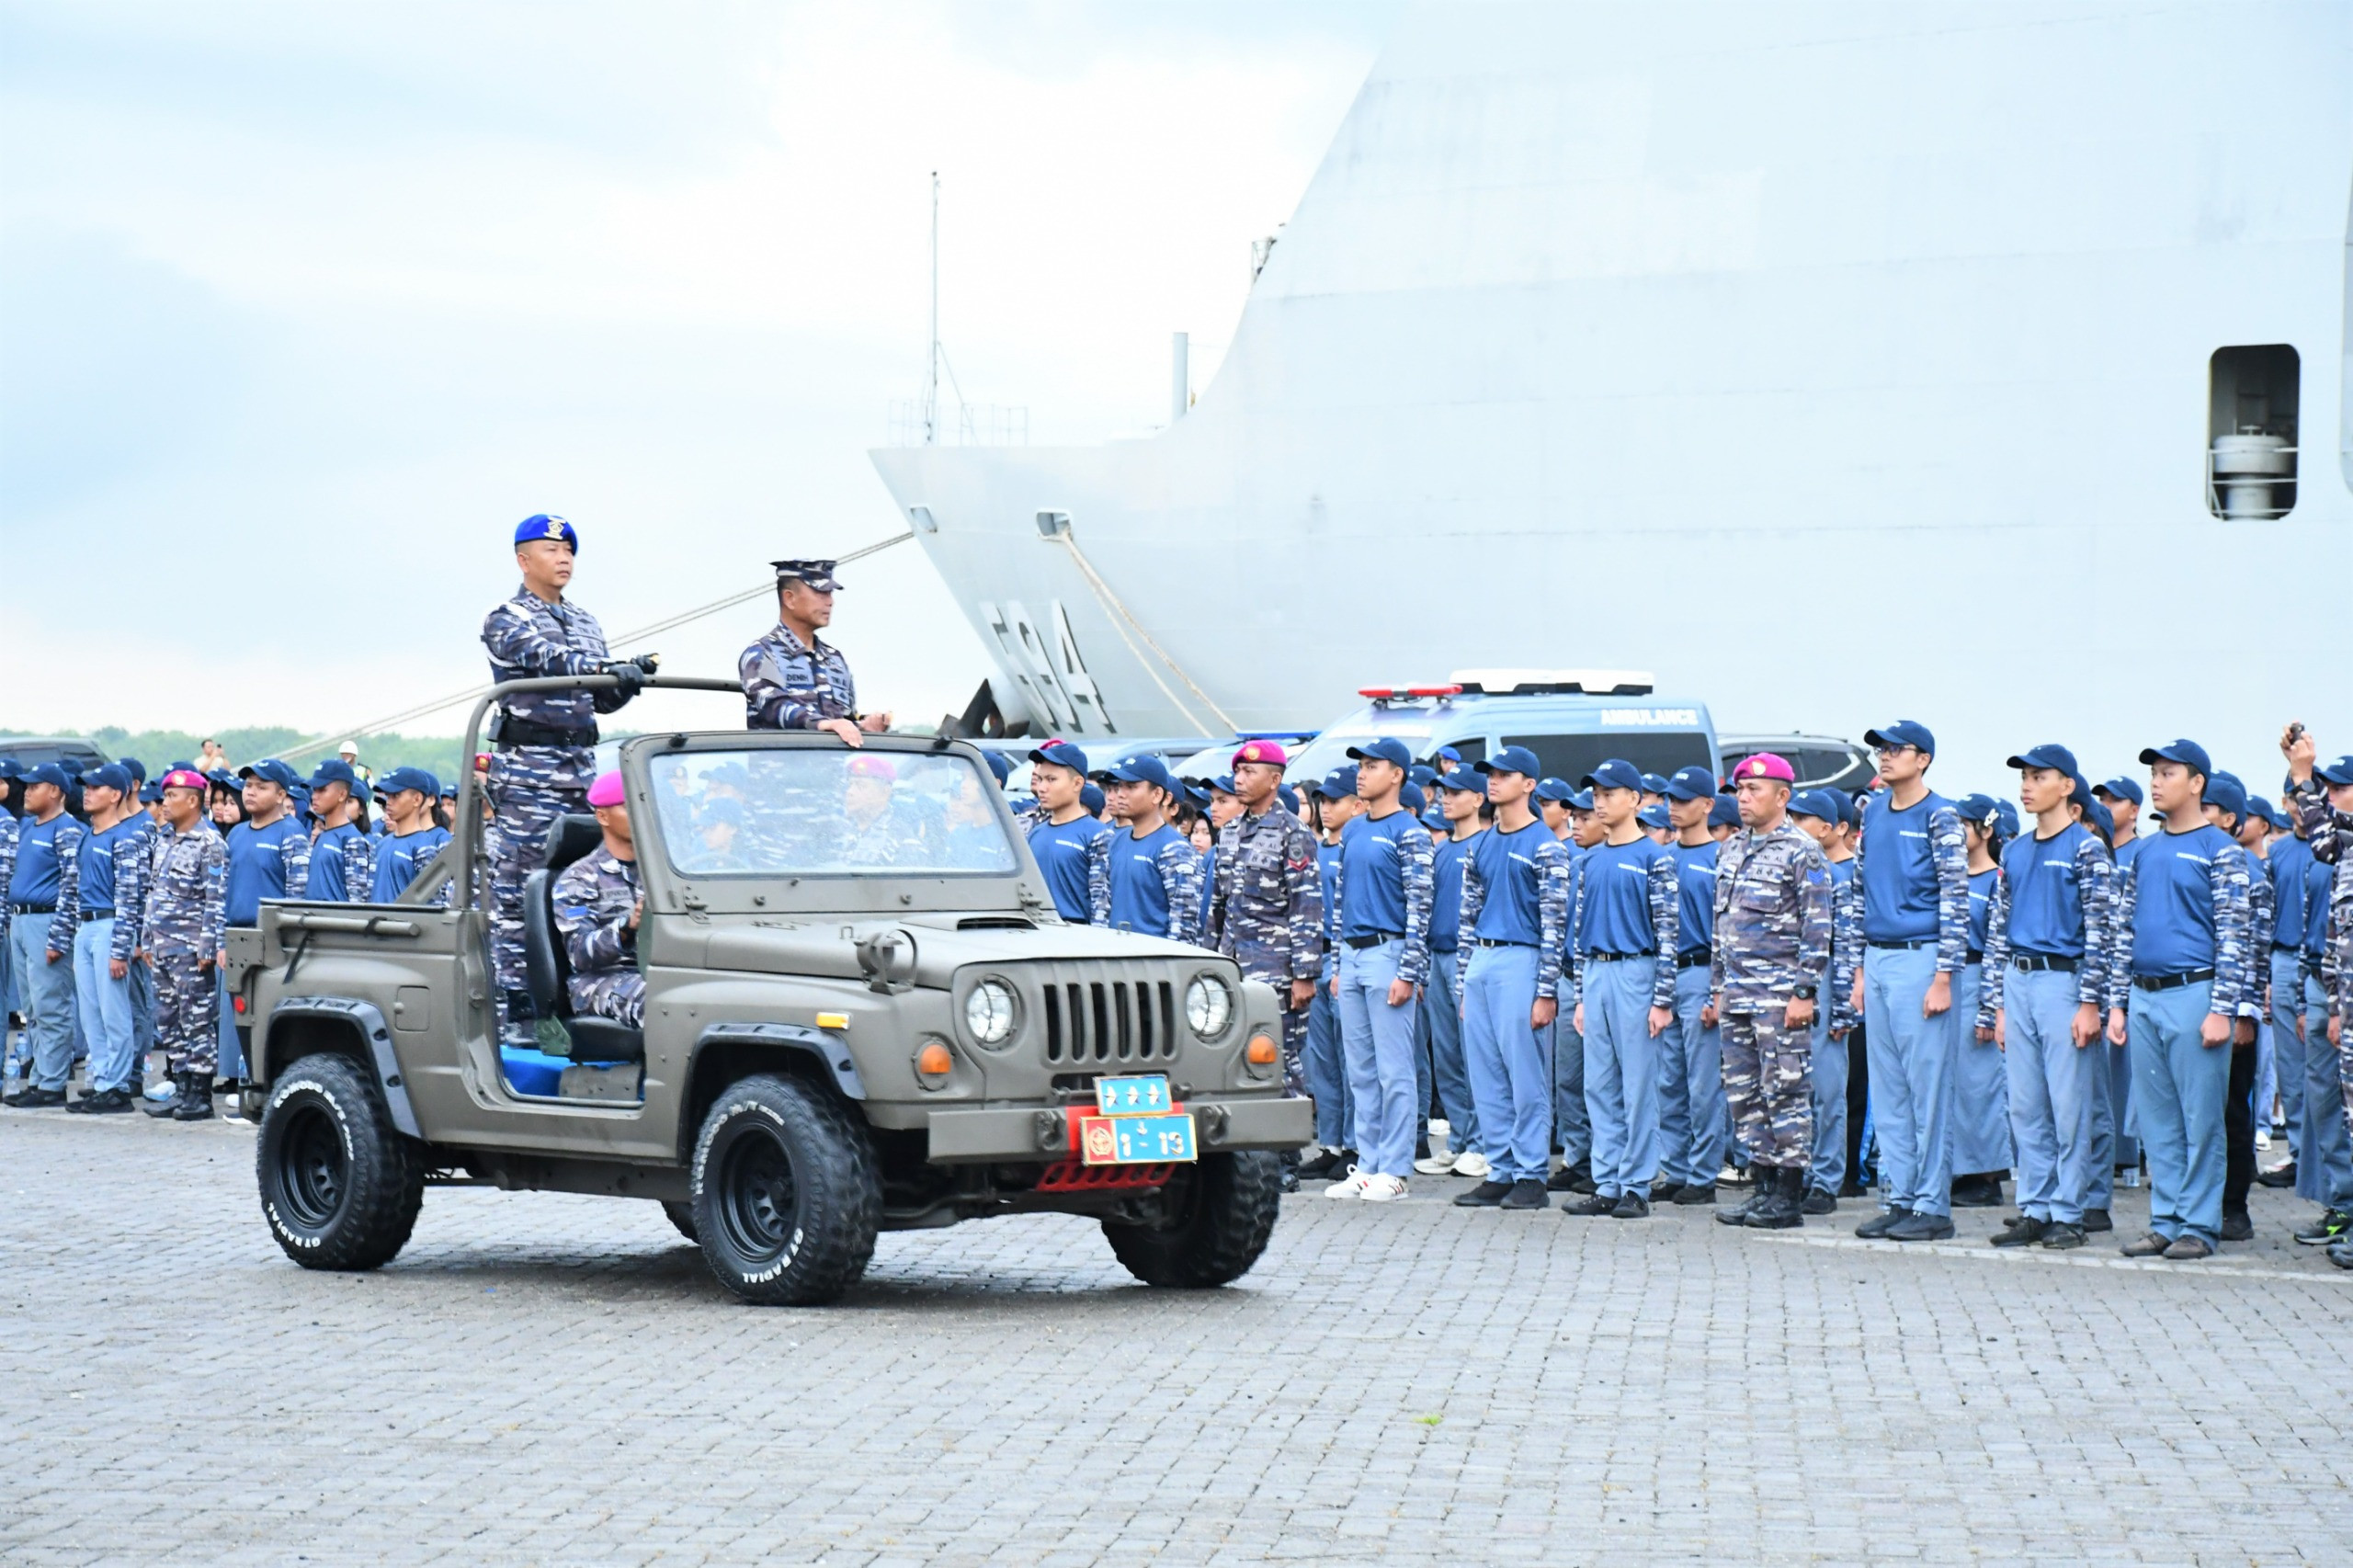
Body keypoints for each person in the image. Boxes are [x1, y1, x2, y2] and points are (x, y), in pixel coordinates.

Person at [480, 514, 651, 1042]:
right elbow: (546, 659)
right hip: (530, 775)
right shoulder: (507, 618)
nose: (563, 559)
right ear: (523, 559)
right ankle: (519, 1021)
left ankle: (588, 995)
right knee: (518, 896)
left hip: (579, 769)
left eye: (569, 551)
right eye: (551, 550)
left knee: (585, 884)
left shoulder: (585, 621)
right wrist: (604, 668)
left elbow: (600, 699)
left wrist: (626, 680)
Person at [2109, 739, 2254, 1261]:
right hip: (2144, 996)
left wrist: (2223, 1008)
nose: (2156, 781)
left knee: (2201, 1120)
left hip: (2195, 994)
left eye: (2168, 773)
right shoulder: (2146, 851)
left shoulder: (2221, 850)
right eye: (2154, 772)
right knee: (2158, 1120)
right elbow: (2124, 928)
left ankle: (2199, 1225)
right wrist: (2118, 1003)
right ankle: (2165, 1221)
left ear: (2197, 784)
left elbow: (2235, 935)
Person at [1980, 750, 2117, 1250]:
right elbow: (1999, 929)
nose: (2027, 785)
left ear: (2066, 786)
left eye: (2039, 777)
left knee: (2069, 1105)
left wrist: (2090, 1003)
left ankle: (2069, 1210)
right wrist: (1997, 1004)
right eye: (2024, 777)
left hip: (2063, 981)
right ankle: (2035, 1207)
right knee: (2025, 1104)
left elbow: (2102, 931)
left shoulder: (2086, 849)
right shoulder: (2014, 851)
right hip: (2018, 980)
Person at [1849, 720, 1970, 1243]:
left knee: (1928, 1091)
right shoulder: (1873, 812)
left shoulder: (1940, 815)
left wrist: (1944, 976)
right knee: (1890, 1089)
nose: (1885, 755)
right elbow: (1859, 891)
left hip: (1921, 959)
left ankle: (1932, 1205)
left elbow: (1955, 899)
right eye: (1881, 748)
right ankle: (1899, 1197)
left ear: (1923, 759)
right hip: (1878, 958)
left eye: (1897, 749)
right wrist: (1858, 968)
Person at [1708, 754, 1832, 1228]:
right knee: (1745, 1095)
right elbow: (1721, 925)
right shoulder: (1731, 848)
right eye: (1740, 790)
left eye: (1753, 790)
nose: (1743, 798)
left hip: (1779, 996)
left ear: (1782, 796)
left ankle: (1788, 1196)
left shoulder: (1803, 851)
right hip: (1737, 993)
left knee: (1786, 1092)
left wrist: (1804, 991)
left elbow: (1818, 928)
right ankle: (1761, 1189)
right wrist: (1718, 987)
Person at [1449, 746, 1570, 1210]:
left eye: (1504, 774)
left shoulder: (1546, 845)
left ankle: (1531, 1173)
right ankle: (1500, 1168)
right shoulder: (1481, 843)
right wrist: (1464, 980)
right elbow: (1467, 916)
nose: (1493, 780)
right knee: (1486, 1075)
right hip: (1483, 959)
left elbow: (1555, 924)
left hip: (1522, 959)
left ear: (1529, 784)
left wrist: (1546, 990)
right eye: (1491, 774)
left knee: (1525, 1075)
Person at [1566, 758, 1679, 1219]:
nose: (1599, 803)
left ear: (1634, 799)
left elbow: (1668, 933)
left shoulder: (1655, 857)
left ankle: (1636, 1185)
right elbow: (1580, 932)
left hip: (1637, 971)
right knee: (1599, 1085)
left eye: (1609, 794)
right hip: (1597, 972)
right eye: (1596, 795)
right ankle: (1607, 1182)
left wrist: (1662, 999)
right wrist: (1580, 995)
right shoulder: (1589, 859)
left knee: (1638, 1086)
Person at [1323, 737, 1434, 1201]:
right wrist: (1336, 962)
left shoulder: (1410, 832)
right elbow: (1342, 901)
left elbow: (1420, 906)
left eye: (1372, 766)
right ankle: (1367, 1165)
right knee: (1361, 1070)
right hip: (1352, 956)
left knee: (1394, 1070)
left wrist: (1410, 971)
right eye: (1361, 766)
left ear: (1397, 775)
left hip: (1389, 953)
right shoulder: (1353, 830)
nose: (1362, 774)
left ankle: (1395, 1168)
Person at [1207, 740, 1323, 1105]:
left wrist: (1304, 975)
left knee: (1280, 1063)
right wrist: (1207, 959)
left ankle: (1290, 1142)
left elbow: (1306, 905)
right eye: (1238, 771)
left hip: (1276, 972)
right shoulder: (1229, 831)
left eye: (1249, 772)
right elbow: (1219, 904)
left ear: (1274, 780)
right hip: (1233, 965)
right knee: (1232, 1059)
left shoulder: (1293, 833)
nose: (1239, 779)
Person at [2280, 729, 2353, 1264]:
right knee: (2331, 1105)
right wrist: (2331, 1005)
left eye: (2340, 787)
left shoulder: (2339, 842)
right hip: (2340, 998)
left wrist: (2302, 775)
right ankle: (2344, 1207)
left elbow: (2323, 836)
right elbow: (2333, 935)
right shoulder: (2343, 852)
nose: (2330, 797)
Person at [1657, 764, 1728, 1206]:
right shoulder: (1663, 856)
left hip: (1702, 971)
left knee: (1703, 1085)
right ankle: (1677, 1168)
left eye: (1684, 800)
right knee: (1669, 1081)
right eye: (1671, 799)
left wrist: (1718, 990)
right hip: (1666, 974)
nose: (1674, 807)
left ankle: (1703, 1175)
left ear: (1707, 805)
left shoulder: (1720, 858)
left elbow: (1727, 932)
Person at [2202, 772, 2268, 1243]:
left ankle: (2234, 1208)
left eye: (2207, 807)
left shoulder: (2249, 870)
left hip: (2232, 1008)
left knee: (2231, 1113)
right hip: (2194, 999)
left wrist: (2245, 1012)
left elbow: (2255, 948)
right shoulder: (2195, 859)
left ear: (2229, 819)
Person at [1415, 767, 1489, 1178]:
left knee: (1475, 1055)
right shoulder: (1441, 850)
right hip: (1437, 957)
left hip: (1470, 959)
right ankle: (1460, 1140)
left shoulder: (1486, 844)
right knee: (1446, 1057)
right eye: (1445, 791)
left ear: (1478, 799)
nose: (1447, 798)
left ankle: (1482, 1144)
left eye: (1457, 792)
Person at [142, 771, 228, 1120]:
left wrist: (208, 946)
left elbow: (215, 899)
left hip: (189, 948)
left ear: (193, 801)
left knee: (197, 1021)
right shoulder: (164, 839)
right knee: (168, 1020)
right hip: (162, 947)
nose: (165, 803)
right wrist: (146, 938)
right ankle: (181, 1088)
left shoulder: (210, 843)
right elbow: (153, 892)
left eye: (172, 797)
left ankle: (201, 1095)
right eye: (164, 797)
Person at [1790, 790, 1862, 1211]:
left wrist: (1842, 1008)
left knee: (1828, 1091)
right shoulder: (1790, 869)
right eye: (1792, 817)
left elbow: (1847, 946)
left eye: (1804, 819)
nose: (1795, 826)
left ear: (1826, 828)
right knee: (1794, 1092)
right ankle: (1799, 1174)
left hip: (1825, 980)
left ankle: (1827, 1181)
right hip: (1791, 982)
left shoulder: (1838, 875)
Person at [65, 765, 150, 1113]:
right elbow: (74, 890)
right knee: (91, 1013)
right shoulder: (87, 836)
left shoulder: (124, 839)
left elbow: (130, 897)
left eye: (95, 788)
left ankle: (118, 1086)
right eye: (86, 787)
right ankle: (102, 1081)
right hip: (86, 928)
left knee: (114, 1012)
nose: (87, 793)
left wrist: (120, 947)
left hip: (109, 926)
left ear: (116, 795)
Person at [2, 764, 85, 1108]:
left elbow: (72, 886)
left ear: (55, 791)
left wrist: (59, 936)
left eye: (35, 786)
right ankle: (39, 1077)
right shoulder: (27, 826)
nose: (27, 792)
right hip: (21, 921)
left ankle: (53, 1083)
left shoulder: (66, 829)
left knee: (52, 1005)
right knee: (32, 1008)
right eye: (26, 786)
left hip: (45, 921)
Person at [740, 558, 890, 743]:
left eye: (830, 593)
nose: (830, 602)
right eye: (821, 593)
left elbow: (844, 720)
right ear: (790, 598)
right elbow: (773, 706)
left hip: (831, 761)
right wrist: (823, 724)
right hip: (782, 760)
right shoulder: (762, 653)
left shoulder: (834, 660)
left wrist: (865, 727)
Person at [1298, 767, 1360, 1178]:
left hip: (1343, 960)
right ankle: (1331, 1142)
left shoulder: (1353, 849)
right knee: (1322, 1062)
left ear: (1357, 805)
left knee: (1351, 1059)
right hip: (1314, 960)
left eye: (1335, 801)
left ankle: (1355, 1145)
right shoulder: (1314, 848)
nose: (1325, 808)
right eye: (1322, 801)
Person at [1950, 793, 2012, 1207]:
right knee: (1956, 1082)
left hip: (1979, 980)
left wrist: (1989, 1006)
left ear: (1985, 831)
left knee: (1981, 1083)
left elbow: (1996, 947)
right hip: (1952, 979)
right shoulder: (1952, 876)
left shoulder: (1996, 880)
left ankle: (1987, 1176)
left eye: (1964, 825)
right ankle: (1961, 1168)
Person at [551, 770, 645, 1028]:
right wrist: (626, 927)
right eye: (628, 807)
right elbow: (580, 953)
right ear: (603, 816)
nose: (639, 814)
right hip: (598, 981)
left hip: (659, 971)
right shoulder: (579, 878)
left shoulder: (657, 872)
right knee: (661, 1002)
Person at [2093, 773, 2146, 1190]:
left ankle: (2129, 1154)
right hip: (2097, 967)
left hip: (2128, 966)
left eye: (2115, 800)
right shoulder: (2095, 850)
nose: (2107, 806)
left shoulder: (2141, 852)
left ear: (2135, 809)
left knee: (2127, 1066)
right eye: (2103, 799)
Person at [1086, 754, 1203, 941]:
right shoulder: (1115, 841)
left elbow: (1184, 922)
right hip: (1115, 950)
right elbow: (1102, 906)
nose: (1121, 794)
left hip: (1152, 954)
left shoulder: (1174, 848)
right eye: (1120, 786)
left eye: (1131, 787)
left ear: (1157, 795)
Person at [1023, 742, 1110, 924]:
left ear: (1077, 783)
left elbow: (1102, 904)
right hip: (1037, 930)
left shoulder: (1098, 834)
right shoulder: (1035, 833)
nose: (1042, 788)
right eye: (1040, 779)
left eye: (1051, 780)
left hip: (1077, 933)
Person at [368, 767, 453, 903]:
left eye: (396, 795)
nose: (389, 802)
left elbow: (434, 905)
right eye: (388, 796)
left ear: (417, 799)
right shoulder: (381, 844)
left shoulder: (424, 849)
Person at [303, 759, 370, 902]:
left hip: (334, 916)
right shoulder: (322, 836)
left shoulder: (353, 840)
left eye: (322, 790)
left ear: (342, 795)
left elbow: (358, 900)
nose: (314, 796)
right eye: (314, 790)